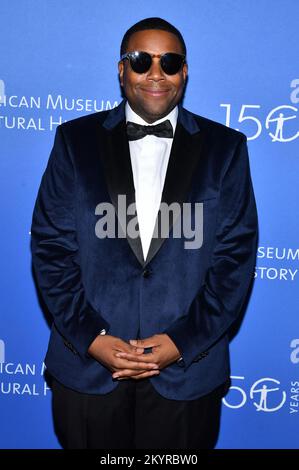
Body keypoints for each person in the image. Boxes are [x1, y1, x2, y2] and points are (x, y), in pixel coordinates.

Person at [30, 17, 258, 449]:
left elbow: (234, 261)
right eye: (141, 61)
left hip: (187, 375)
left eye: (169, 62)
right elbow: (51, 248)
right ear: (121, 70)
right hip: (88, 373)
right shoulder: (74, 141)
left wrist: (180, 342)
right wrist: (92, 338)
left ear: (185, 72)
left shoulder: (226, 149)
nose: (156, 73)